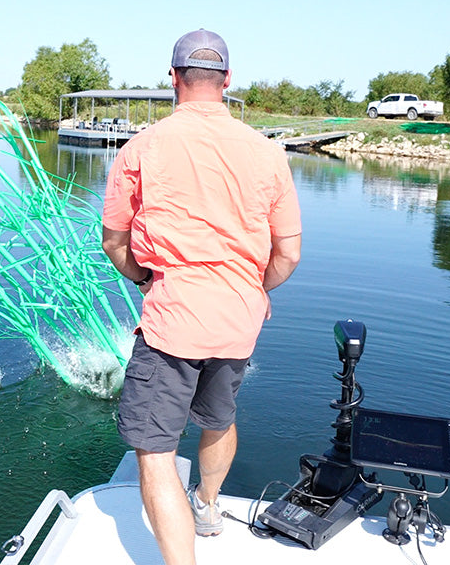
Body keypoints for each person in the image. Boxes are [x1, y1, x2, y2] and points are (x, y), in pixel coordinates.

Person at [101, 29, 302, 565]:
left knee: (156, 450)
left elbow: (114, 242)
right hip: (238, 320)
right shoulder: (267, 152)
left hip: (172, 320)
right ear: (228, 81)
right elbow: (288, 254)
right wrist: (249, 290)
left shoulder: (141, 148)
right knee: (218, 416)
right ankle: (208, 507)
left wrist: (146, 280)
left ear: (173, 79)